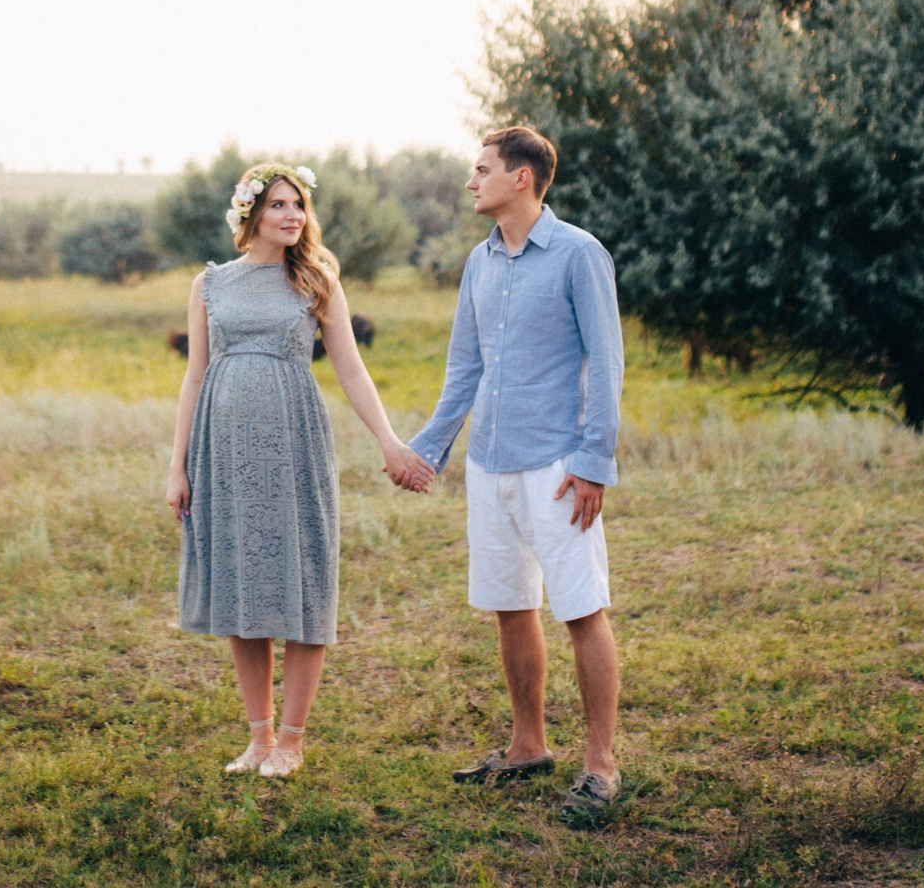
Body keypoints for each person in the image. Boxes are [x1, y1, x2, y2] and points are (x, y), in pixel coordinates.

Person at [167, 162, 435, 777]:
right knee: (242, 585)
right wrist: (177, 465)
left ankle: (292, 741)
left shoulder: (317, 280)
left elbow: (351, 370)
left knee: (302, 578)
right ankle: (258, 738)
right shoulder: (211, 284)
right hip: (224, 448)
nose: (293, 216)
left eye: (299, 205)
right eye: (279, 205)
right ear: (250, 214)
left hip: (294, 443)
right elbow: (194, 374)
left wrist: (391, 443)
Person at [405, 126, 627, 827]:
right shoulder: (480, 261)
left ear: (521, 178)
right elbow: (465, 366)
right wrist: (429, 451)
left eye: (481, 170)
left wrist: (593, 464)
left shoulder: (578, 254)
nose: (470, 182)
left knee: (581, 609)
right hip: (489, 465)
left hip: (559, 467)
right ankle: (527, 745)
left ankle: (600, 766)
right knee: (510, 605)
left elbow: (607, 363)